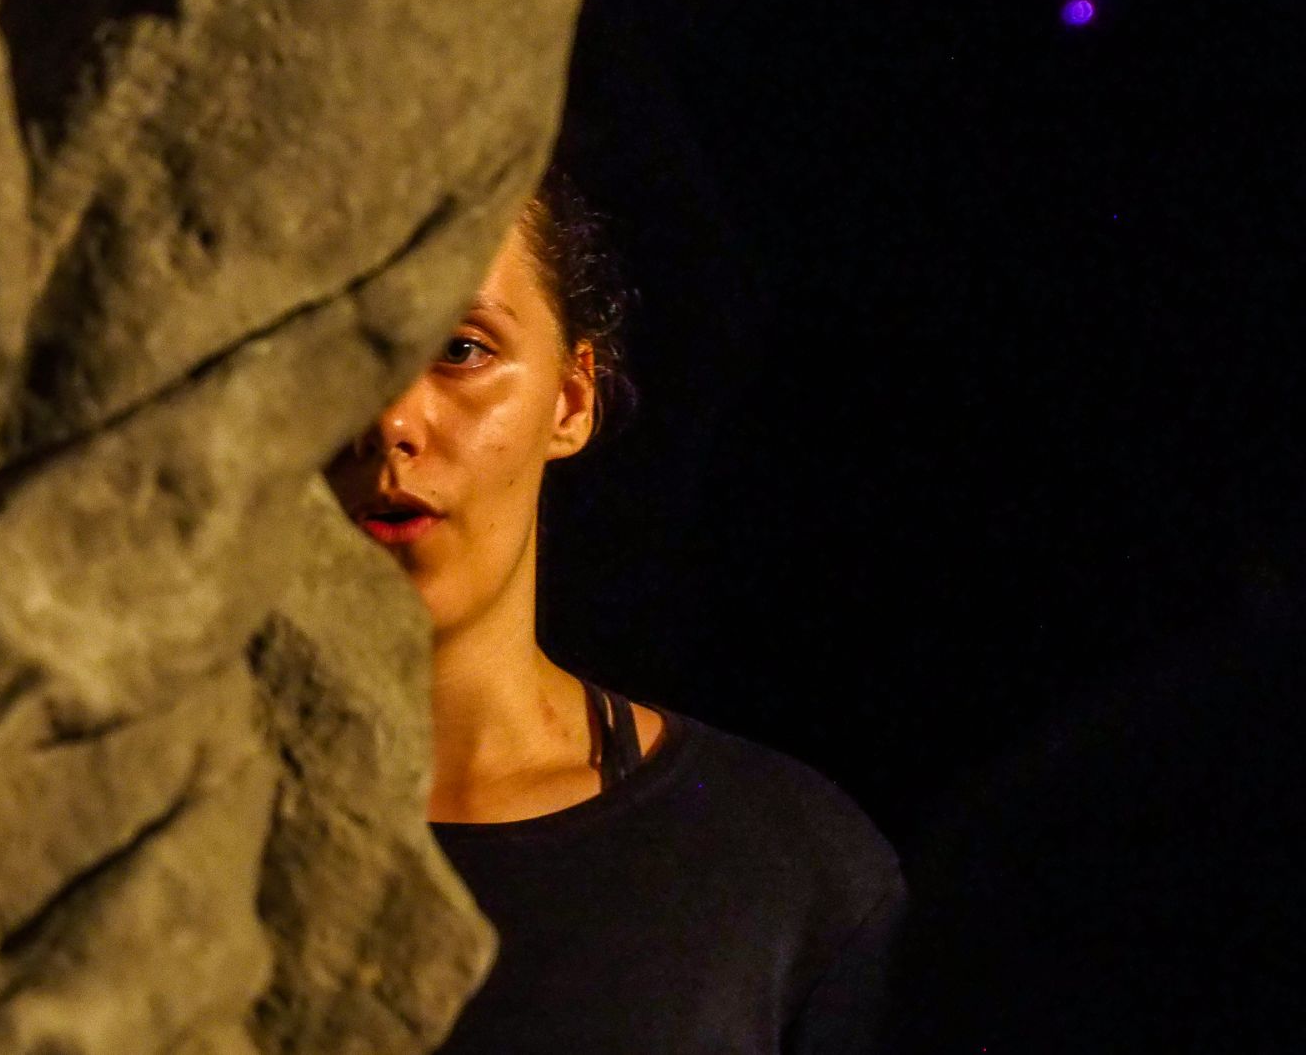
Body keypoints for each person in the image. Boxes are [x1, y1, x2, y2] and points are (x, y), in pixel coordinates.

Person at [325, 166, 906, 1053]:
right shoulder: (142, 822)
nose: (393, 419)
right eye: (332, 351)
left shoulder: (778, 867)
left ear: (570, 398)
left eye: (463, 349)